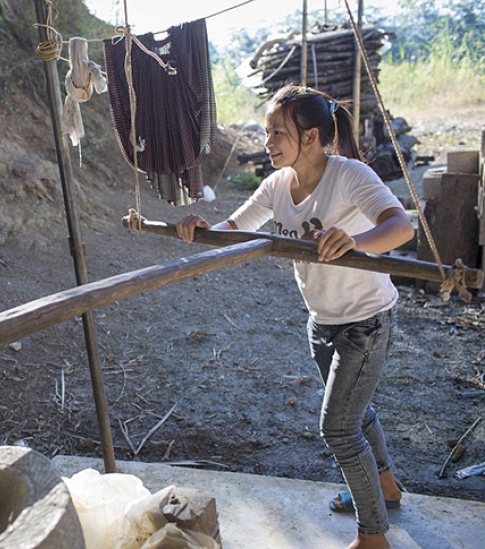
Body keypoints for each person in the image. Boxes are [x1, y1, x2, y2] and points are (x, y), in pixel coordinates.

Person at [176, 84, 413, 549]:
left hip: (366, 321)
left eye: (277, 132)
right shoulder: (277, 185)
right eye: (267, 131)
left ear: (309, 137)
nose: (267, 141)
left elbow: (399, 226)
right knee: (355, 413)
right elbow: (234, 229)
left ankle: (373, 537)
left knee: (339, 427)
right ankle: (384, 487)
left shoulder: (349, 175)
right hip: (321, 321)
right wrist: (201, 229)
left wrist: (355, 241)